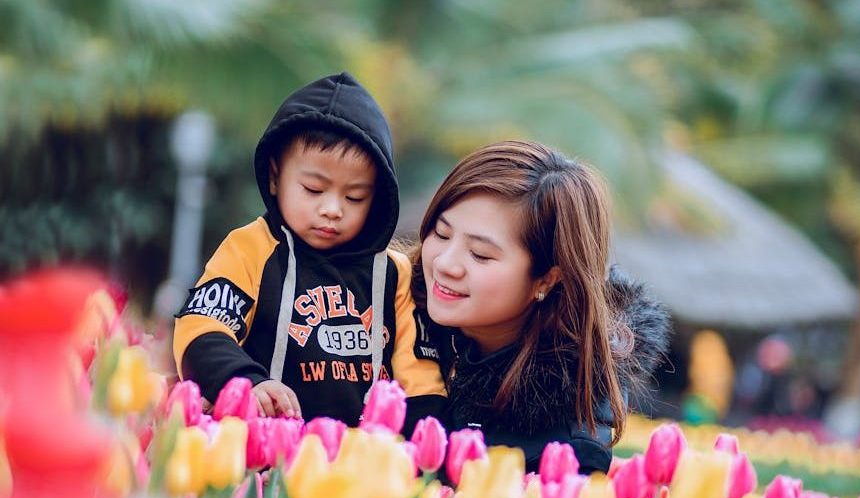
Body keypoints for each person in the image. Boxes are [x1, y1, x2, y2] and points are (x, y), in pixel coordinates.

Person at [173, 72, 444, 425]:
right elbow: (202, 327)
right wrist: (244, 382)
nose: (332, 209)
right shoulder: (250, 249)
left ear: (378, 198)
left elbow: (423, 381)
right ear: (275, 177)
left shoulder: (396, 274)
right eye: (314, 190)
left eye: (354, 196)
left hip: (362, 464)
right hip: (269, 452)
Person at [408, 140, 671, 474]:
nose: (445, 264)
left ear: (547, 279)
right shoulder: (391, 322)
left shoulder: (564, 448)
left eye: (480, 254)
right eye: (442, 234)